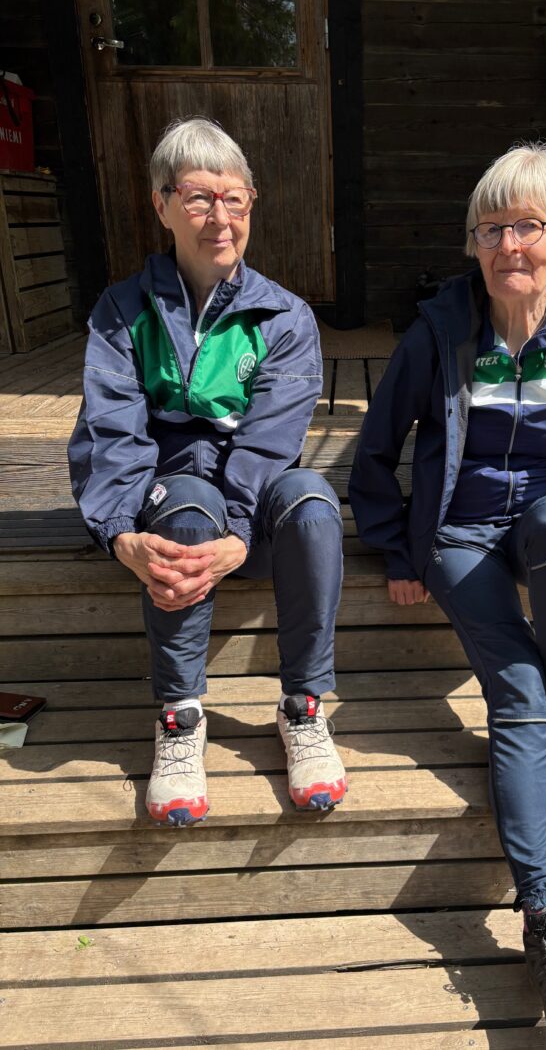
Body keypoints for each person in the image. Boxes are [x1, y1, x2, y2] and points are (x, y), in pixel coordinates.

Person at [349, 143, 546, 1045]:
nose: (509, 244)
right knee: (516, 691)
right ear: (473, 243)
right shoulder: (441, 331)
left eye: (528, 225)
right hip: (461, 532)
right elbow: (373, 450)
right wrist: (397, 545)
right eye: (491, 228)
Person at [68, 117, 346, 825]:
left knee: (313, 499)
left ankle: (303, 705)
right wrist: (119, 532)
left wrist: (243, 532)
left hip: (251, 511)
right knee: (190, 500)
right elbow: (111, 430)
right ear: (161, 205)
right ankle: (179, 716)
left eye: (235, 198)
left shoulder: (283, 316)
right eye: (197, 197)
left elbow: (271, 441)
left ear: (251, 204)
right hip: (168, 511)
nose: (220, 217)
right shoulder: (123, 311)